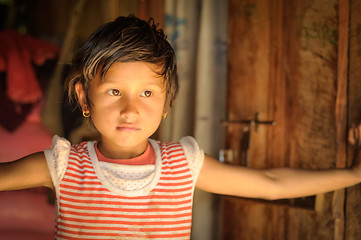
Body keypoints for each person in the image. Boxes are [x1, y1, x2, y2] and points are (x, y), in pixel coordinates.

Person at [1, 15, 361, 240]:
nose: (131, 108)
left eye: (147, 93)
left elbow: (270, 184)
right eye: (113, 91)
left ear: (167, 102)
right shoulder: (64, 166)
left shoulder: (182, 165)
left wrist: (353, 173)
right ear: (84, 97)